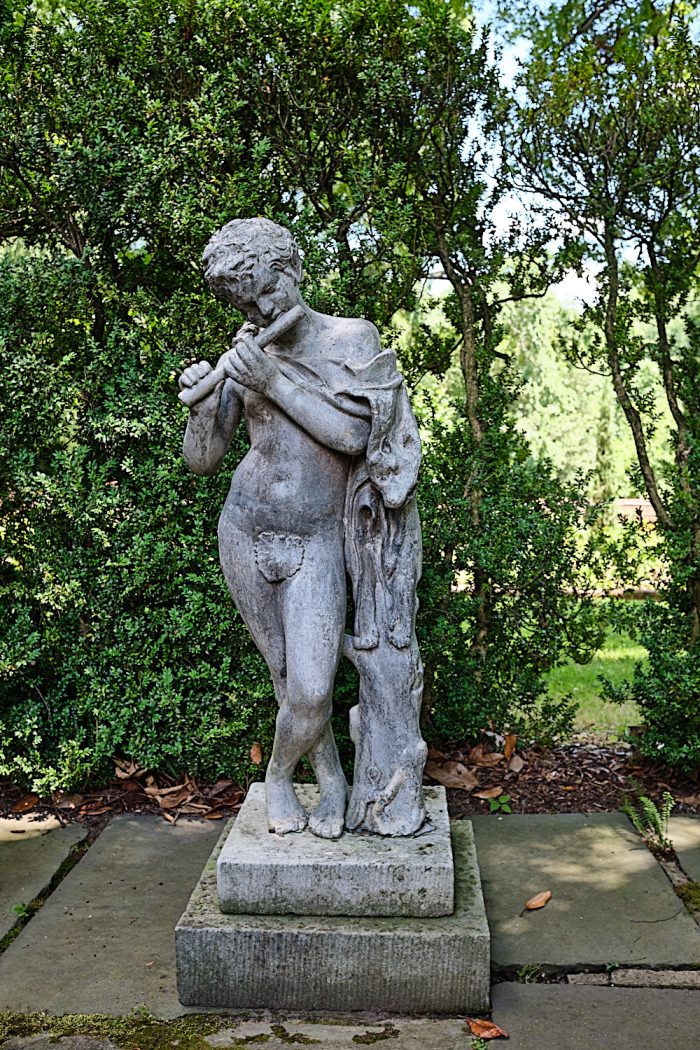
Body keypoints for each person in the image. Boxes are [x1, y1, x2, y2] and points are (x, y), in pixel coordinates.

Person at [179, 218, 424, 840]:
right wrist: (204, 406)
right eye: (246, 303)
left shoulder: (350, 339)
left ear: (292, 268)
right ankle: (329, 782)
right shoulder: (248, 348)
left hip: (316, 539)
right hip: (245, 528)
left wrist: (273, 382)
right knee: (286, 677)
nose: (262, 311)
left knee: (312, 691)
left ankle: (278, 773)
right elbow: (203, 459)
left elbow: (356, 437)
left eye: (268, 291)